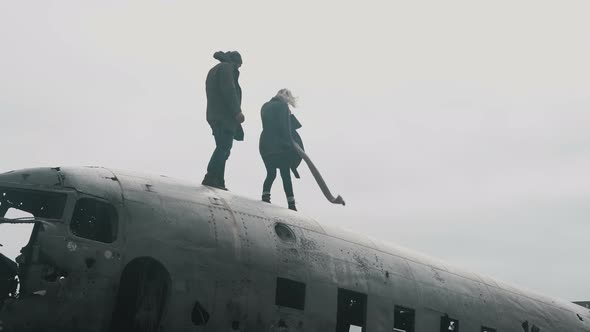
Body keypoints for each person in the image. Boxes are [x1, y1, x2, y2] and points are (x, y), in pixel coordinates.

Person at [202, 50, 245, 190]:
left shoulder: (215, 70)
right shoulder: (226, 68)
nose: (238, 68)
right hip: (224, 117)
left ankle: (219, 180)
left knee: (224, 148)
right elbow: (229, 90)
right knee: (223, 147)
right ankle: (211, 177)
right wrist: (237, 112)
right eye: (239, 65)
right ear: (235, 62)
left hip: (215, 116)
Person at [259, 89, 304, 211]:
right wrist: (289, 144)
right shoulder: (282, 106)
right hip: (281, 147)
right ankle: (291, 204)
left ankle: (265, 197)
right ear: (287, 98)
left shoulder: (265, 106)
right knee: (285, 176)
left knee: (271, 173)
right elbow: (284, 127)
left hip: (265, 145)